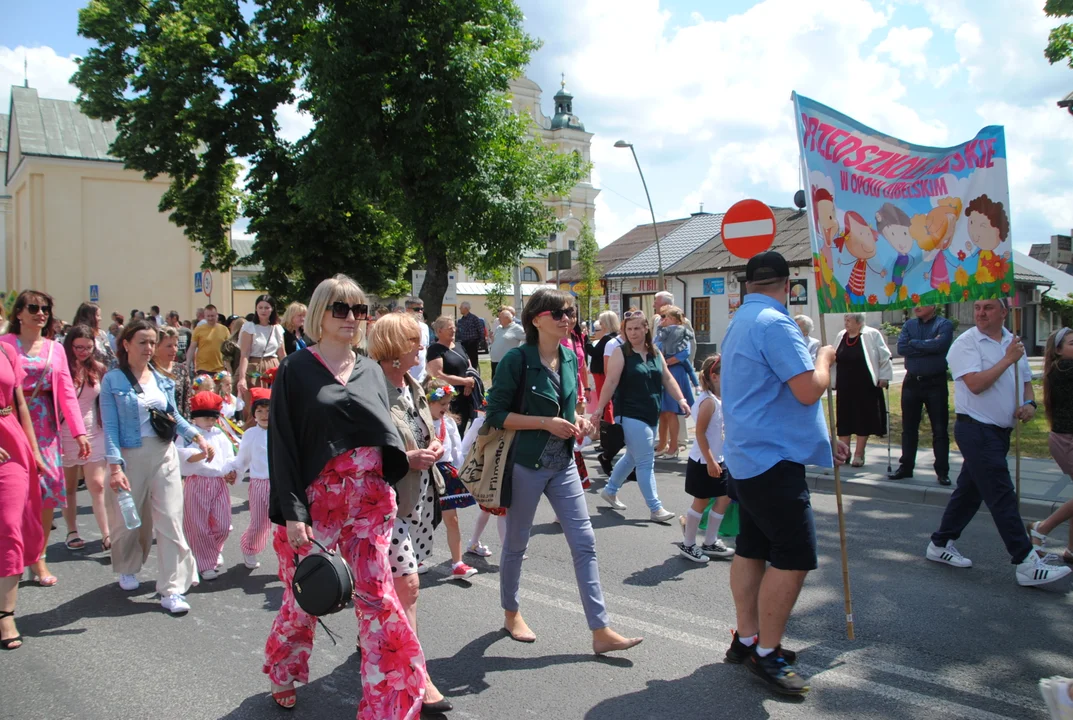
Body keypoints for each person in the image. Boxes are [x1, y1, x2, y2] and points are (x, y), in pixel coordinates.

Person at [263, 274, 432, 716]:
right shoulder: (295, 371)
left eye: (360, 310)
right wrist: (294, 512)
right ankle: (284, 668)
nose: (353, 318)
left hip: (371, 503)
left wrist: (406, 461)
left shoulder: (371, 369)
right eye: (342, 309)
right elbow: (281, 444)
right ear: (320, 313)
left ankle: (391, 706)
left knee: (379, 603)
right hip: (316, 504)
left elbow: (384, 431)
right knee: (308, 598)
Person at [720, 251, 848, 696]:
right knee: (794, 557)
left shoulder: (741, 319)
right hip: (770, 460)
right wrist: (826, 358)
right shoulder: (776, 324)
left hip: (748, 454)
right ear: (789, 284)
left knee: (752, 548)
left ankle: (748, 638)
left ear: (748, 283)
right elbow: (807, 389)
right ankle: (767, 654)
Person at [485, 288, 641, 654]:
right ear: (537, 318)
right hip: (526, 463)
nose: (567, 318)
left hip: (564, 463)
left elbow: (568, 410)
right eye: (558, 313)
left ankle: (600, 631)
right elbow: (495, 415)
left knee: (585, 542)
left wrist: (579, 422)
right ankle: (511, 612)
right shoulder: (516, 360)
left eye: (570, 312)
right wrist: (545, 423)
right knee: (517, 543)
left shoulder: (570, 358)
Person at [926, 299, 1071, 587]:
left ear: (1004, 313)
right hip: (974, 430)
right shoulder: (966, 344)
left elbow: (1026, 381)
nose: (980, 312)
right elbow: (976, 385)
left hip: (999, 432)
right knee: (1002, 494)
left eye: (988, 307)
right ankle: (1026, 562)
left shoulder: (1013, 341)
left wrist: (1029, 403)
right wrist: (1006, 359)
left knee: (969, 492)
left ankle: (940, 544)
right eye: (978, 307)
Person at [101, 319, 214, 614]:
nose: (149, 348)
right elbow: (110, 427)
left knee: (171, 521)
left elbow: (173, 416)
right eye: (143, 342)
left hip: (163, 453)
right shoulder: (113, 380)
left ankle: (172, 588)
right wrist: (115, 466)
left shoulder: (162, 378)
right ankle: (128, 567)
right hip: (129, 454)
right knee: (129, 520)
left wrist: (198, 437)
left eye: (152, 342)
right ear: (126, 344)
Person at [2, 291, 91, 586]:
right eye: (34, 308)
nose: (41, 313)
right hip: (10, 422)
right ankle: (11, 554)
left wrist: (78, 432)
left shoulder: (54, 349)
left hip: (46, 428)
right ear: (19, 313)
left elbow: (66, 391)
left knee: (46, 493)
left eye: (46, 309)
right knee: (14, 493)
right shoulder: (5, 345)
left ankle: (38, 558)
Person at [590, 310, 688, 523]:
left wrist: (681, 399)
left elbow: (668, 378)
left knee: (632, 457)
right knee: (645, 461)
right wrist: (599, 409)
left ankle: (610, 490)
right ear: (624, 331)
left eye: (637, 328)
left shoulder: (654, 352)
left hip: (651, 411)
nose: (633, 333)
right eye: (629, 329)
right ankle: (655, 508)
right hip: (629, 412)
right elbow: (611, 382)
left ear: (646, 329)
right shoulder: (621, 352)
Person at [0, 338, 46, 650]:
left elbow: (20, 406)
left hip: (11, 445)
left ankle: (5, 614)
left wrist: (34, 450)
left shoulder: (6, 351)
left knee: (9, 525)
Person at [679, 354, 735, 563]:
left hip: (718, 458)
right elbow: (700, 433)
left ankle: (710, 541)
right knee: (700, 502)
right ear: (715, 376)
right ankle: (688, 544)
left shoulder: (719, 399)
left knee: (724, 498)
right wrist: (711, 461)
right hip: (704, 461)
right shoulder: (709, 402)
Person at [177, 392, 237, 581]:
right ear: (195, 418)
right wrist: (201, 454)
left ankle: (212, 550)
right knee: (198, 526)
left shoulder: (220, 434)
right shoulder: (189, 435)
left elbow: (229, 456)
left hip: (218, 483)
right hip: (197, 481)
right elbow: (180, 455)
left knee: (223, 525)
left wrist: (230, 470)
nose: (210, 421)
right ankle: (204, 563)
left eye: (213, 417)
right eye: (206, 417)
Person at [891, 305, 954, 485]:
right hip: (911, 382)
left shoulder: (944, 325)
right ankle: (906, 467)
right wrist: (926, 345)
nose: (916, 306)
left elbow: (940, 345)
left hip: (935, 382)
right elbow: (902, 348)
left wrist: (915, 343)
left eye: (922, 302)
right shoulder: (909, 325)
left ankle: (942, 471)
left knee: (940, 429)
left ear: (933, 305)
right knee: (909, 428)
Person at [59, 326, 110, 553]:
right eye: (78, 347)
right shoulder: (60, 369)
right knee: (69, 486)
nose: (83, 351)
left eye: (88, 347)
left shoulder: (98, 369)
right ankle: (72, 530)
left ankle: (107, 534)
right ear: (69, 346)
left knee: (98, 485)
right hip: (64, 432)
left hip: (93, 431)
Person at [424, 376, 479, 580]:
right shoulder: (420, 422)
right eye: (442, 404)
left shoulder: (449, 422)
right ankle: (415, 556)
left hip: (445, 474)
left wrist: (460, 473)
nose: (446, 407)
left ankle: (457, 563)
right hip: (424, 472)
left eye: (448, 403)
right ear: (428, 402)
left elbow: (457, 451)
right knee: (422, 519)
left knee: (452, 520)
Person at [1027, 327, 1073, 562]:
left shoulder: (1059, 368)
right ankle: (1042, 528)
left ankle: (1072, 551)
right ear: (1057, 350)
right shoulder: (1065, 368)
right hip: (1067, 441)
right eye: (1072, 344)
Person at [832, 312, 892, 467]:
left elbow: (884, 357)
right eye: (845, 319)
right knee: (844, 419)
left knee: (862, 419)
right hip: (844, 385)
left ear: (859, 322)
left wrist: (884, 376)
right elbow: (834, 356)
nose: (846, 322)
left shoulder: (871, 334)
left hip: (865, 385)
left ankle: (859, 454)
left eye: (849, 320)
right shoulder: (841, 335)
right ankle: (844, 452)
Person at [231, 387, 272, 569]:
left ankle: (289, 559)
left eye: (269, 410)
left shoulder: (283, 432)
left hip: (281, 485)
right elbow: (242, 460)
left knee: (286, 526)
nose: (264, 415)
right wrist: (234, 472)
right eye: (260, 411)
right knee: (259, 523)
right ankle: (249, 547)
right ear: (253, 413)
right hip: (259, 484)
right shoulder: (250, 434)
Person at [653, 305, 696, 460]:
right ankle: (662, 444)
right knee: (662, 412)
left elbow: (685, 352)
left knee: (671, 411)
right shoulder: (661, 333)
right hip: (662, 372)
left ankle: (674, 447)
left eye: (664, 317)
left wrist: (666, 362)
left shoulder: (681, 332)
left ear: (672, 319)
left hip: (675, 372)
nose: (661, 319)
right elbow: (654, 347)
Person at [237, 294, 286, 419]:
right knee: (255, 405)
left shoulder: (277, 328)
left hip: (273, 367)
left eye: (267, 307)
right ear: (256, 309)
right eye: (260, 307)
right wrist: (242, 378)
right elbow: (245, 354)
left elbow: (282, 353)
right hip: (255, 367)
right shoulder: (249, 327)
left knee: (274, 405)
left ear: (272, 309)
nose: (263, 311)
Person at [427, 315, 477, 436]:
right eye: (449, 328)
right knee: (451, 432)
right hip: (449, 399)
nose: (453, 330)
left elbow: (470, 368)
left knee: (464, 430)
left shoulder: (459, 346)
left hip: (466, 396)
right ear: (439, 331)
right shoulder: (435, 349)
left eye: (454, 327)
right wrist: (464, 382)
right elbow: (438, 375)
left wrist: (469, 384)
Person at [153, 326, 193, 420]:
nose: (174, 350)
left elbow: (186, 403)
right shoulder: (148, 369)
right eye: (169, 346)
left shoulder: (181, 370)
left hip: (179, 426)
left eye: (176, 345)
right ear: (156, 347)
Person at [589, 310, 620, 428]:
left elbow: (594, 352)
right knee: (607, 402)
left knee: (605, 402)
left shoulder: (607, 339)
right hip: (606, 373)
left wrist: (585, 340)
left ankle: (608, 428)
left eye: (601, 323)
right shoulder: (615, 337)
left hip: (603, 373)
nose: (600, 325)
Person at [188, 304, 231, 375]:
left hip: (220, 368)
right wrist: (187, 364)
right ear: (204, 316)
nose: (210, 318)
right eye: (208, 316)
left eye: (212, 316)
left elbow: (228, 349)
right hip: (203, 368)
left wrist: (229, 368)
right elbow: (192, 348)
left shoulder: (224, 329)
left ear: (216, 315)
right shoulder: (198, 329)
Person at [72, 301, 117, 368]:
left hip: (105, 374)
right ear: (89, 317)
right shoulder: (76, 335)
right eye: (98, 315)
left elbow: (111, 357)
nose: (100, 319)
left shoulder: (101, 334)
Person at [489, 307, 525, 381]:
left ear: (506, 318)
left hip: (507, 363)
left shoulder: (517, 328)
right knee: (495, 382)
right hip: (495, 361)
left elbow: (528, 339)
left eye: (500, 318)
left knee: (506, 382)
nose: (498, 320)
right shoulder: (499, 328)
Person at [404, 298, 429, 382]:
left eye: (422, 309)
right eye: (417, 309)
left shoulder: (425, 327)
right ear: (407, 310)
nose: (420, 312)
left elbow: (426, 349)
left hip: (422, 376)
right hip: (406, 374)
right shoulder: (402, 326)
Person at [454, 301, 483, 369]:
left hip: (472, 343)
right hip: (463, 344)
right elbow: (458, 333)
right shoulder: (460, 321)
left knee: (473, 362)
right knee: (464, 361)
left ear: (466, 308)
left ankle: (473, 375)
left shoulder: (474, 318)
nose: (459, 308)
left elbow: (480, 330)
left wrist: (479, 342)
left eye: (461, 307)